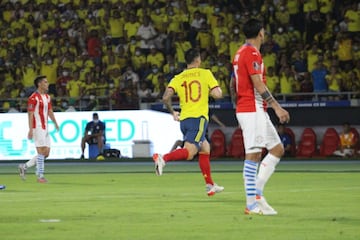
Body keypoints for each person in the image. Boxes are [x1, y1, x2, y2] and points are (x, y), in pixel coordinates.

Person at [231, 19, 290, 215]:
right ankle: (251, 205)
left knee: (276, 148)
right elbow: (258, 83)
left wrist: (236, 105)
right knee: (253, 154)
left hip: (252, 108)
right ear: (261, 33)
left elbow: (233, 83)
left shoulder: (240, 52)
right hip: (252, 108)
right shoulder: (251, 52)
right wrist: (277, 107)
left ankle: (257, 194)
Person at [152, 48, 224, 197]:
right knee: (190, 153)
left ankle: (210, 185)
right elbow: (218, 94)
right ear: (198, 60)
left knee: (205, 148)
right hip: (198, 119)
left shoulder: (178, 77)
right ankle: (163, 158)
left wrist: (172, 112)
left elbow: (165, 97)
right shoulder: (205, 73)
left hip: (184, 120)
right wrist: (209, 91)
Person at [18, 76, 60, 183]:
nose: (47, 84)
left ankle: (24, 166)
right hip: (38, 127)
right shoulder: (33, 98)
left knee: (46, 153)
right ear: (39, 84)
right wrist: (31, 129)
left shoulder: (47, 97)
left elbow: (50, 111)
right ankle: (40, 176)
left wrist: (55, 122)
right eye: (45, 82)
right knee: (41, 152)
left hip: (46, 127)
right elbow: (30, 114)